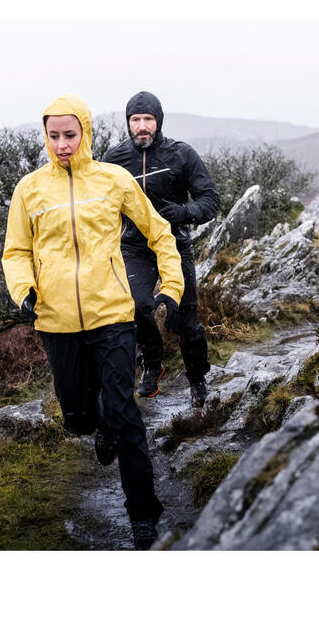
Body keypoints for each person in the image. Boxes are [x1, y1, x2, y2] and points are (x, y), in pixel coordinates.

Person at [1, 93, 184, 550]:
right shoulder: (30, 189)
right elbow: (16, 252)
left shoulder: (113, 179)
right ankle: (97, 423)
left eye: (70, 134)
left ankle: (144, 516)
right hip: (57, 322)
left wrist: (172, 286)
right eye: (53, 135)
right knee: (79, 419)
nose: (62, 144)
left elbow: (159, 231)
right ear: (45, 137)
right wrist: (23, 290)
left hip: (111, 316)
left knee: (126, 417)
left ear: (85, 132)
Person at [103, 91, 220, 407]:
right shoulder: (113, 161)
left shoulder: (181, 155)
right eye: (135, 119)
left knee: (185, 317)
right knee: (137, 305)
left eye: (148, 119)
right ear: (128, 122)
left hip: (176, 244)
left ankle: (197, 380)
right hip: (134, 247)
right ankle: (152, 364)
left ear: (159, 121)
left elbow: (211, 201)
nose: (142, 126)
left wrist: (184, 212)